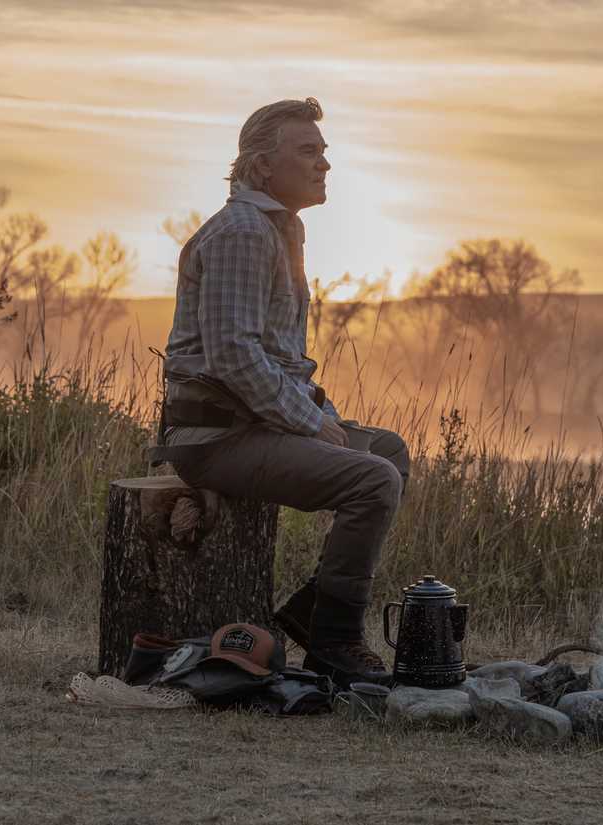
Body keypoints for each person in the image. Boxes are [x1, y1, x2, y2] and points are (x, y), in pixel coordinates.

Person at [152, 97, 409, 686]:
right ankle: (336, 641)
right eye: (308, 152)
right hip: (213, 437)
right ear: (263, 166)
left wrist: (323, 414)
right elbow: (233, 357)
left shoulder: (279, 229)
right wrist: (308, 422)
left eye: (324, 153)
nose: (323, 165)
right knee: (373, 479)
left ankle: (312, 610)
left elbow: (282, 360)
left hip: (254, 427)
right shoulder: (244, 233)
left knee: (386, 452)